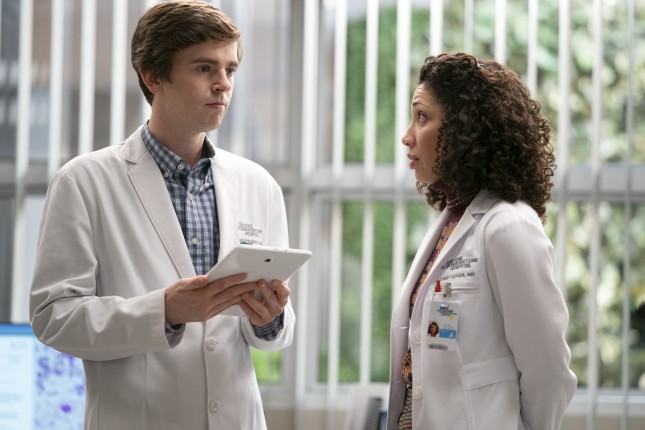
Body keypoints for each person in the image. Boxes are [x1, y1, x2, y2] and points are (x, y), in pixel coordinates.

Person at [29, 2, 294, 428]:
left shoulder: (258, 185)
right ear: (153, 76)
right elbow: (53, 318)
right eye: (204, 68)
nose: (223, 84)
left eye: (230, 69)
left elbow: (273, 334)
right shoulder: (83, 182)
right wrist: (164, 311)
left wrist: (270, 320)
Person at [388, 53, 577, 429]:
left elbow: (549, 375)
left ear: (464, 129)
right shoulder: (450, 223)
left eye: (422, 117)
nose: (407, 136)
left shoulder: (508, 226)